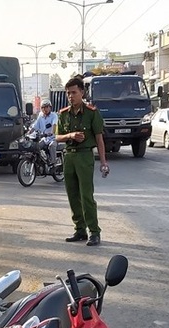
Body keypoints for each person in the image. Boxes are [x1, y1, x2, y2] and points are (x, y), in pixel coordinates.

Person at [56, 76, 109, 247]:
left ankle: (94, 232)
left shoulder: (92, 113)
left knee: (86, 196)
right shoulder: (63, 114)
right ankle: (80, 230)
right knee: (72, 195)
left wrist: (103, 162)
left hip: (85, 156)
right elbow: (57, 137)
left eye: (74, 92)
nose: (71, 96)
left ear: (82, 92)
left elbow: (100, 139)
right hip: (69, 156)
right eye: (68, 93)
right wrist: (70, 136)